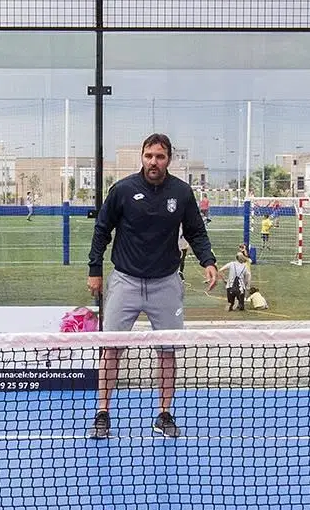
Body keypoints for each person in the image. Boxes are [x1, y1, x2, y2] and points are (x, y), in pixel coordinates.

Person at [87, 132, 217, 438]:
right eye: (148, 156)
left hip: (166, 284)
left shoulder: (182, 193)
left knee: (167, 352)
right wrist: (95, 269)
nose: (153, 162)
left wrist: (208, 262)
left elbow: (196, 231)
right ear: (142, 158)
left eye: (159, 156)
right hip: (125, 282)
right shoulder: (122, 190)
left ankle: (164, 414)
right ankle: (103, 412)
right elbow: (102, 230)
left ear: (168, 159)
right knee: (111, 351)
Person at [223, 245, 252, 311]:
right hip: (241, 287)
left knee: (229, 304)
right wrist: (248, 285)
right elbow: (249, 276)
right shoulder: (246, 264)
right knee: (241, 305)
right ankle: (239, 304)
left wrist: (224, 279)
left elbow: (221, 270)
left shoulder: (231, 264)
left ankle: (232, 304)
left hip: (230, 286)